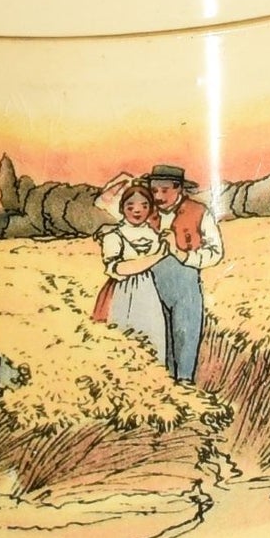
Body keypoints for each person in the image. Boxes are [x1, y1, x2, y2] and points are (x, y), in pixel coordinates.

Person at [147, 163, 221, 382]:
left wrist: (184, 256)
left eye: (164, 190)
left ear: (178, 188)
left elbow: (215, 252)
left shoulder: (199, 212)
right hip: (150, 283)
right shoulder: (143, 211)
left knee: (186, 337)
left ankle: (185, 387)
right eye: (154, 190)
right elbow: (103, 202)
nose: (158, 196)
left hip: (186, 283)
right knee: (159, 341)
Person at [94, 180, 170, 365]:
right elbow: (118, 268)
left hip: (151, 292)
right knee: (123, 339)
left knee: (154, 335)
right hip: (122, 292)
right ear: (122, 208)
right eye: (131, 205)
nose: (137, 210)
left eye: (144, 205)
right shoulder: (114, 236)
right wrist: (156, 257)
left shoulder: (154, 234)